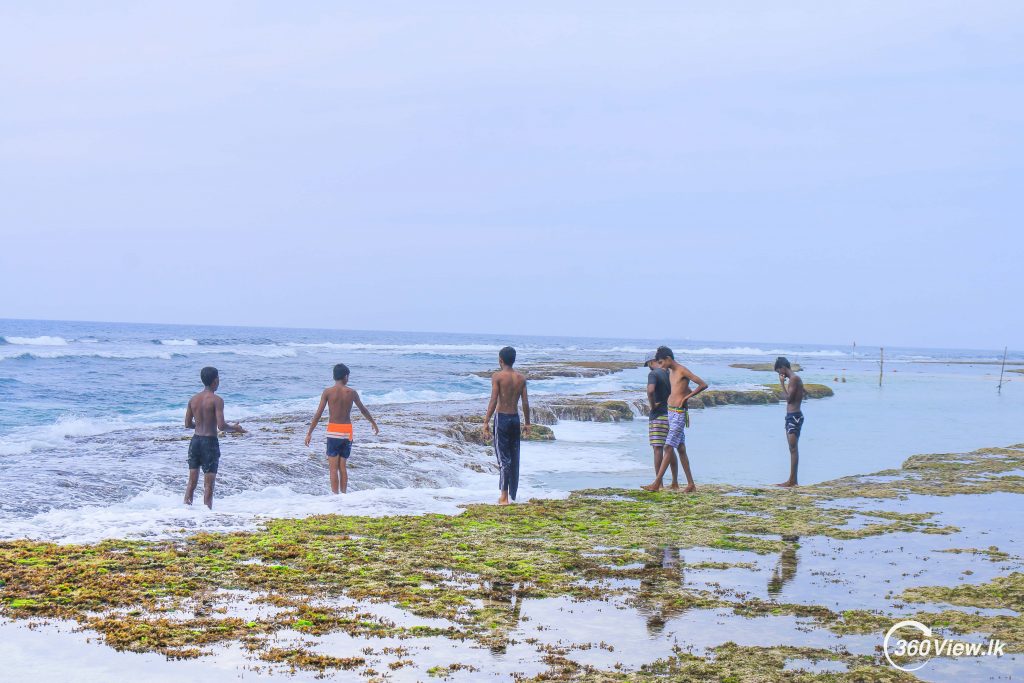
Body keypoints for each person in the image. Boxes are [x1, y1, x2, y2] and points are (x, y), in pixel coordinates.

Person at [305, 363, 380, 494]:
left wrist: (309, 433)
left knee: (333, 468)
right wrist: (373, 423)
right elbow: (363, 410)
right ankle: (344, 496)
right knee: (342, 467)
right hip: (347, 431)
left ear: (334, 377)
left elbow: (318, 414)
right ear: (346, 376)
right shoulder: (351, 392)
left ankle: (335, 497)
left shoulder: (327, 392)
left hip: (333, 431)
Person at [642, 346, 707, 493]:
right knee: (681, 448)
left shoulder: (682, 370)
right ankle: (691, 484)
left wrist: (686, 398)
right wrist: (684, 395)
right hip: (671, 412)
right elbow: (681, 388)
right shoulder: (670, 372)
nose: (661, 366)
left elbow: (702, 384)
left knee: (667, 447)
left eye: (661, 362)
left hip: (678, 413)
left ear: (668, 359)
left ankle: (656, 484)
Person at [184, 366, 245, 509]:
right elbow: (222, 426)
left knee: (191, 482)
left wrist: (199, 425)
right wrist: (236, 428)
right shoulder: (217, 400)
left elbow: (187, 424)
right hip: (209, 443)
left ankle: (186, 511)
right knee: (208, 485)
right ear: (215, 380)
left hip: (195, 442)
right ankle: (207, 516)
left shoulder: (193, 399)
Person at [482, 346, 531, 505]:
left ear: (500, 360)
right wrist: (527, 423)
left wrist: (486, 421)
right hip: (515, 419)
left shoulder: (497, 376)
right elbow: (525, 402)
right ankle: (511, 494)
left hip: (502, 418)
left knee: (503, 459)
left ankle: (504, 497)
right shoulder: (521, 378)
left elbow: (493, 400)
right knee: (514, 457)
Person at [645, 353, 678, 489]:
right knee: (670, 449)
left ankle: (659, 484)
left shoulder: (654, 374)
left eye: (647, 365)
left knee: (658, 449)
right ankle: (675, 482)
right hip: (672, 414)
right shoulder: (671, 373)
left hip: (658, 415)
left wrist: (652, 405)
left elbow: (650, 391)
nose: (648, 368)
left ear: (652, 362)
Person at [774, 356, 805, 487]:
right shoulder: (795, 380)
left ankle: (793, 481)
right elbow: (803, 393)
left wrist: (781, 384)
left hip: (794, 416)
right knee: (792, 448)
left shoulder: (793, 379)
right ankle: (792, 480)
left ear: (783, 367)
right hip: (792, 415)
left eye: (779, 372)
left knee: (793, 448)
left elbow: (788, 399)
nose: (781, 375)